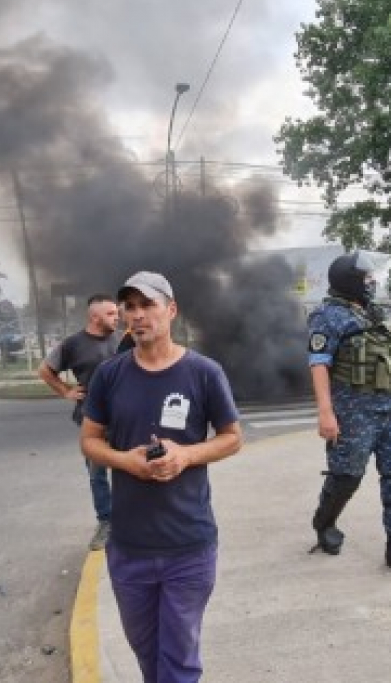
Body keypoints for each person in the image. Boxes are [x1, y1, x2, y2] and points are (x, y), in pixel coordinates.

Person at [80, 271, 242, 683]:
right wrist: (126, 461)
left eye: (147, 305)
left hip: (188, 545)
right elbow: (90, 442)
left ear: (170, 310)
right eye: (129, 307)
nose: (137, 315)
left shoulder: (204, 372)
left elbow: (231, 438)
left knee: (179, 663)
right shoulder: (110, 376)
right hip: (129, 548)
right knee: (148, 657)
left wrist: (186, 455)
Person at [307, 251, 391, 576]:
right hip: (354, 412)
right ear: (350, 280)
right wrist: (326, 413)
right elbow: (318, 363)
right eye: (366, 277)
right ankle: (324, 523)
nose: (372, 282)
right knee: (347, 476)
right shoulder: (327, 316)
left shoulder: (378, 313)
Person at [38, 293, 121, 551]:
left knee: (130, 469)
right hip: (92, 419)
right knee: (97, 475)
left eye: (117, 313)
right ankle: (106, 522)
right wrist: (65, 391)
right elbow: (45, 370)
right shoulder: (73, 344)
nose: (116, 318)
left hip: (126, 416)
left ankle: (133, 521)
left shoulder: (124, 339)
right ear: (94, 317)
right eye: (110, 314)